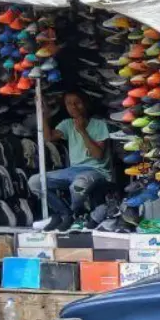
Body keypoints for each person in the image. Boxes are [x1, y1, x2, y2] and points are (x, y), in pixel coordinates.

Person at [30, 91, 111, 231]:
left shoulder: (99, 125)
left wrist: (82, 131)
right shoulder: (67, 124)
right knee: (35, 182)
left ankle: (76, 213)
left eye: (77, 103)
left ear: (86, 104)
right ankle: (65, 214)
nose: (73, 107)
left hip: (96, 171)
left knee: (78, 186)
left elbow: (97, 155)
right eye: (69, 104)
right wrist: (44, 114)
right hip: (73, 171)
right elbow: (48, 137)